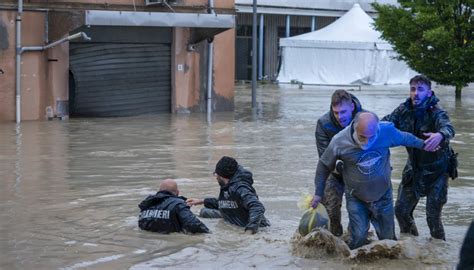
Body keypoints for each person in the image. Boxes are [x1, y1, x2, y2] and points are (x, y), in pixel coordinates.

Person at [311, 111, 433, 249]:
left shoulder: (386, 131)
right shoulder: (339, 141)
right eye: (362, 137)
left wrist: (425, 145)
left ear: (378, 129)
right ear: (354, 128)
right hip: (356, 197)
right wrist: (318, 193)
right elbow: (323, 166)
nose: (367, 142)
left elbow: (406, 138)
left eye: (372, 137)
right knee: (357, 240)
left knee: (390, 243)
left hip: (383, 195)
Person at [383, 75, 455, 240]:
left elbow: (449, 128)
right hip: (414, 168)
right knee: (401, 211)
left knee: (432, 216)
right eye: (413, 89)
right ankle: (410, 245)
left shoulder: (437, 112)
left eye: (420, 89)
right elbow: (384, 124)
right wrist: (363, 126)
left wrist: (440, 135)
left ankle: (438, 253)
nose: (415, 93)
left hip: (437, 170)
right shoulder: (403, 110)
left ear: (429, 93)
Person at [315, 89, 363, 236]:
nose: (339, 117)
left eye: (343, 112)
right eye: (336, 113)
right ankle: (335, 244)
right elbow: (324, 158)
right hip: (334, 171)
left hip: (359, 173)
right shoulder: (324, 124)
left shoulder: (365, 119)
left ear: (352, 107)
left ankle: (356, 241)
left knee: (360, 213)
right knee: (331, 212)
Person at [186, 156, 270, 234]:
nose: (216, 177)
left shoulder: (241, 188)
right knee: (204, 211)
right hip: (234, 217)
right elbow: (225, 203)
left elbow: (257, 207)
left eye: (216, 174)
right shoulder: (227, 186)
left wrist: (249, 231)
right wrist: (201, 201)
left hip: (258, 229)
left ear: (222, 175)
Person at [138, 179, 209, 234]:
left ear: (159, 191)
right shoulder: (178, 204)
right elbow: (194, 225)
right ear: (177, 193)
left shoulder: (147, 203)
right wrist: (208, 234)